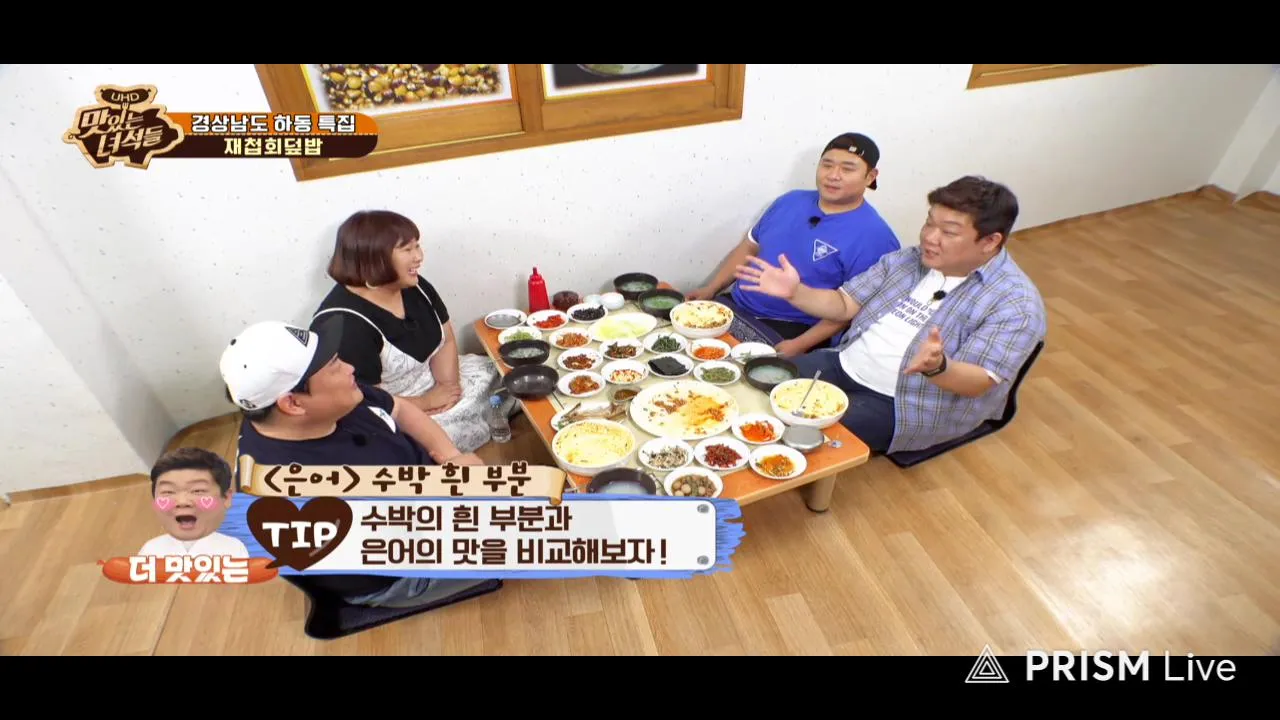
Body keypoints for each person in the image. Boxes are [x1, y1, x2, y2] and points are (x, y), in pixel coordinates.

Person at [734, 175, 1046, 456]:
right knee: (751, 389)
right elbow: (843, 304)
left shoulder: (1016, 304)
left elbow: (979, 382)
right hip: (844, 362)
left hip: (905, 403)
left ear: (990, 241)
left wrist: (939, 367)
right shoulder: (907, 259)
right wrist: (795, 292)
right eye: (929, 223)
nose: (929, 237)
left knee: (796, 438)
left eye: (948, 232)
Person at [219, 314, 493, 609]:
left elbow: (399, 408)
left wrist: (450, 456)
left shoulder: (335, 397)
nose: (349, 368)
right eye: (334, 366)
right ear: (293, 403)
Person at [687, 132, 900, 357]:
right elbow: (749, 246)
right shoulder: (790, 201)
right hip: (735, 305)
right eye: (827, 165)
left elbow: (852, 308)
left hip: (793, 327)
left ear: (870, 176)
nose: (833, 175)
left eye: (847, 169)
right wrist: (711, 288)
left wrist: (800, 344)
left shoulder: (876, 237)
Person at [311, 210, 500, 455]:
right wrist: (427, 402)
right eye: (407, 249)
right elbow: (363, 403)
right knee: (429, 442)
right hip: (393, 409)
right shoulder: (347, 324)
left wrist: (449, 386)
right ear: (374, 259)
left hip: (435, 380)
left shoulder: (414, 285)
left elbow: (446, 341)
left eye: (417, 246)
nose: (419, 257)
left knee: (506, 372)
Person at [139, 447, 250, 559]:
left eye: (197, 490)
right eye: (168, 492)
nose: (182, 502)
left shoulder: (233, 548)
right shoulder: (150, 550)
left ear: (226, 498)